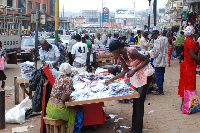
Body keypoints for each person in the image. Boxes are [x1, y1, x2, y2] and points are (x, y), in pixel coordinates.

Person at [105, 40, 154, 133]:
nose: (113, 54)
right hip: (138, 76)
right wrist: (111, 80)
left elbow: (147, 60)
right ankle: (135, 128)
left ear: (118, 49)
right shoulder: (121, 56)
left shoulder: (131, 51)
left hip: (146, 74)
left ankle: (137, 130)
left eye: (113, 52)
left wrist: (134, 70)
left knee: (139, 103)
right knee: (136, 102)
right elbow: (125, 71)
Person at [46, 63, 76, 133]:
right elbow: (64, 98)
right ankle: (68, 131)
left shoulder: (58, 78)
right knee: (72, 112)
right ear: (69, 71)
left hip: (49, 108)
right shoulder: (68, 80)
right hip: (57, 111)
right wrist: (70, 98)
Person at [178, 26, 200, 110]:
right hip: (189, 66)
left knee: (186, 85)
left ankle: (186, 104)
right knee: (189, 85)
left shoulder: (188, 40)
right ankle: (188, 106)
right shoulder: (190, 42)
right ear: (192, 33)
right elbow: (193, 56)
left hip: (188, 65)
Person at [150, 30, 169, 95]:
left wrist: (151, 55)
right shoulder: (165, 38)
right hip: (164, 59)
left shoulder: (157, 41)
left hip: (158, 60)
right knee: (162, 74)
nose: (153, 38)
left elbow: (156, 52)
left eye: (153, 36)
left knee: (158, 75)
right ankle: (160, 88)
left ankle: (160, 90)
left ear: (155, 35)